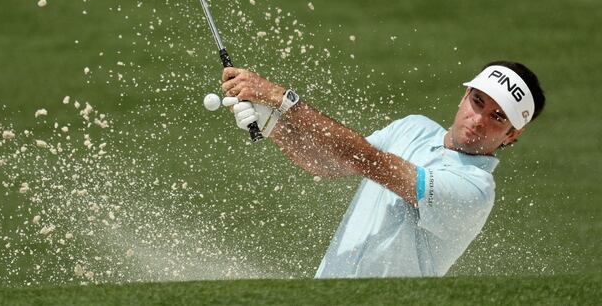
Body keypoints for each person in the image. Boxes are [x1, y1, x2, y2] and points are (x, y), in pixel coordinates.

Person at [220, 61, 545, 277]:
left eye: (498, 117)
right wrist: (272, 124)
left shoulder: (474, 190)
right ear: (464, 96)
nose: (479, 120)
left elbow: (369, 161)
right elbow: (330, 164)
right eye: (478, 102)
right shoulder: (413, 127)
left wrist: (282, 99)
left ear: (512, 134)